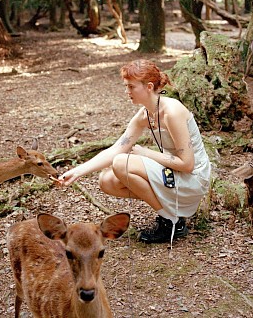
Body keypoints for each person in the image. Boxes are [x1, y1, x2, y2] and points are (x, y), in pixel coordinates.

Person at [58, 59, 212, 244]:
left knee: (122, 163)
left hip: (193, 178)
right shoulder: (144, 115)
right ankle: (170, 214)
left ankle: (171, 222)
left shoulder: (172, 112)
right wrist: (77, 172)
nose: (127, 92)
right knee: (107, 181)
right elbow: (117, 148)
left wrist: (146, 153)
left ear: (148, 87)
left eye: (131, 87)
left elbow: (187, 164)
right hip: (174, 173)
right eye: (126, 86)